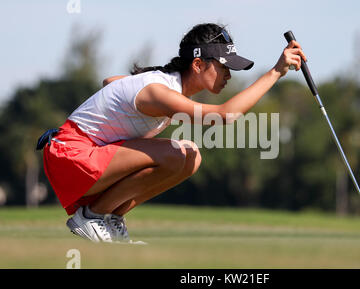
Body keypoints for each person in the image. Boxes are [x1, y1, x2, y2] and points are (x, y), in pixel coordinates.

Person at [37, 23, 306, 243]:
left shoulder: (161, 86)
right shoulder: (159, 90)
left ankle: (110, 219)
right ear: (198, 65)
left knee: (190, 159)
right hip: (70, 156)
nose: (228, 75)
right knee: (183, 153)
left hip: (81, 160)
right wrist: (275, 72)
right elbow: (223, 116)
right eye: (223, 67)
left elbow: (109, 82)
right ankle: (92, 217)